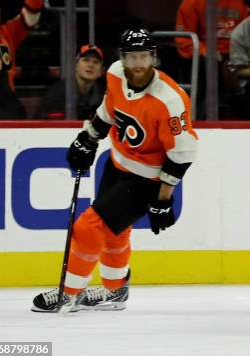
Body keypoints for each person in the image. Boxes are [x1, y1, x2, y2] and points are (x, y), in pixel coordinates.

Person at [31, 28, 198, 312]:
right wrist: (88, 137)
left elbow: (182, 153)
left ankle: (68, 293)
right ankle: (115, 289)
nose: (138, 64)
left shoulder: (170, 99)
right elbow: (110, 109)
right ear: (122, 58)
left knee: (87, 227)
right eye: (132, 58)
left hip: (147, 179)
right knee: (115, 232)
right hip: (117, 164)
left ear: (153, 58)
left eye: (144, 57)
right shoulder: (116, 73)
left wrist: (162, 199)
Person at [175, 0, 249, 116]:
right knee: (209, 67)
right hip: (205, 57)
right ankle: (201, 120)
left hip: (235, 55)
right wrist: (204, 50)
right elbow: (183, 38)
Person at [39, 44, 105, 120]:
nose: (90, 65)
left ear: (101, 71)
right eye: (86, 60)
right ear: (76, 65)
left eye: (96, 62)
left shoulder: (105, 97)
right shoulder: (56, 94)